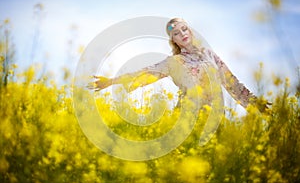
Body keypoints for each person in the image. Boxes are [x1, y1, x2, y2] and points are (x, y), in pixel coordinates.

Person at [89, 18, 264, 111]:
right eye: (176, 33)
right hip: (187, 117)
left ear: (190, 32)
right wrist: (111, 81)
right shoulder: (173, 62)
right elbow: (143, 72)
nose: (182, 34)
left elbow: (231, 82)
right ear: (174, 41)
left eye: (184, 29)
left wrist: (256, 104)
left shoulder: (209, 54)